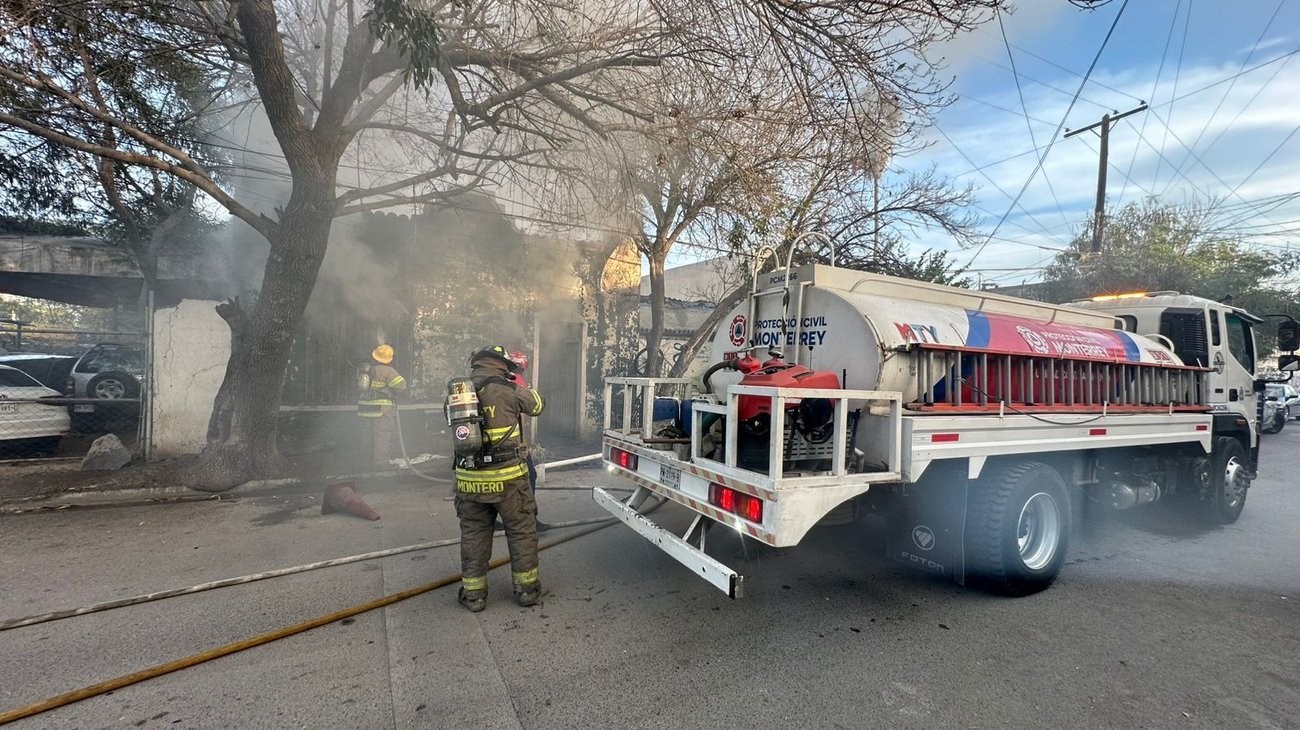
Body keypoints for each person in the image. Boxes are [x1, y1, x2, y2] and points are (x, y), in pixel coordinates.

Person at [455, 345, 545, 612]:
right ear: (501, 364)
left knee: (473, 535)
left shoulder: (459, 395)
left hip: (469, 481)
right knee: (521, 532)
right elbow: (537, 405)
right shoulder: (507, 389)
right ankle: (527, 590)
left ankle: (474, 596)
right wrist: (517, 383)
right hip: (508, 481)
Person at [357, 344, 407, 469]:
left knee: (366, 436)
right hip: (381, 410)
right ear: (389, 358)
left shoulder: (364, 370)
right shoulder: (388, 371)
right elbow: (401, 387)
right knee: (382, 436)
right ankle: (380, 464)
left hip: (364, 408)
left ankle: (364, 463)